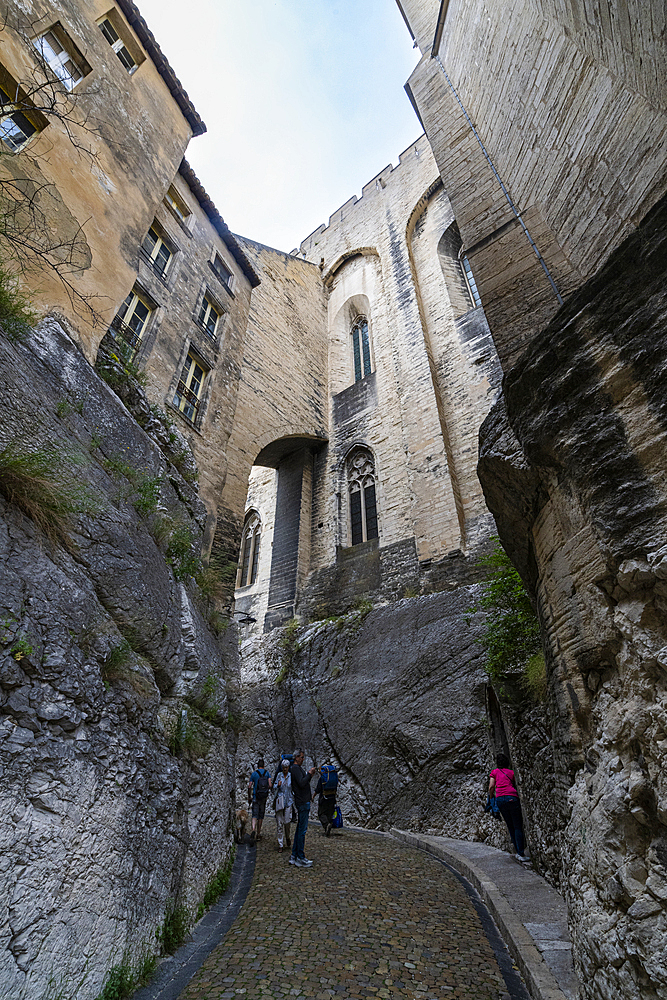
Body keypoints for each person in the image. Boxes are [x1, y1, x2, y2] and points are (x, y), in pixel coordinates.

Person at [489, 752, 529, 862]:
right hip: (512, 798)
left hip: (500, 799)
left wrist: (492, 798)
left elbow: (491, 786)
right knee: (517, 826)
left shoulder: (494, 772)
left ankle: (517, 851)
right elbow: (516, 784)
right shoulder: (511, 773)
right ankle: (521, 853)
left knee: (510, 826)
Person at [289, 748, 317, 868]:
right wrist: (310, 774)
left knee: (299, 829)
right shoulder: (295, 768)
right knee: (302, 830)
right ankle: (300, 857)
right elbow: (301, 783)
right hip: (302, 801)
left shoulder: (295, 769)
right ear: (296, 757)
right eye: (301, 757)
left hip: (301, 800)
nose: (303, 759)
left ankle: (294, 855)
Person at [248, 757, 272, 842]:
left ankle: (253, 829)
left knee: (254, 814)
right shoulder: (267, 773)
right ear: (264, 765)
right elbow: (270, 785)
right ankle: (258, 834)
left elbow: (249, 786)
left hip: (255, 796)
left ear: (257, 766)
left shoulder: (254, 774)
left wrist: (249, 796)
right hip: (263, 797)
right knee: (261, 815)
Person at [273, 758, 293, 852]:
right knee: (279, 823)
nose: (285, 769)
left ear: (288, 767)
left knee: (287, 822)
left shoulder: (291, 776)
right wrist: (277, 785)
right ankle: (280, 844)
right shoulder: (279, 775)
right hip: (280, 802)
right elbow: (273, 787)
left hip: (288, 801)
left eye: (286, 767)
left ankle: (288, 837)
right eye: (283, 767)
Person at [313, 767, 337, 836]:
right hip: (332, 797)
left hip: (324, 798)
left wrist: (312, 797)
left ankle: (326, 825)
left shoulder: (323, 779)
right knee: (329, 813)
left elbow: (318, 789)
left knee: (321, 813)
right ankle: (328, 826)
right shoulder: (334, 778)